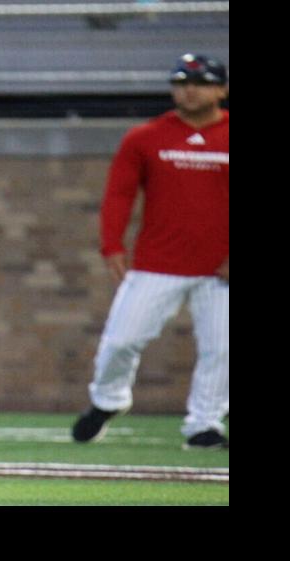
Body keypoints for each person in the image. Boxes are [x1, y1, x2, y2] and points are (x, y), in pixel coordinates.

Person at [72, 53, 230, 450]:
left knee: (222, 348)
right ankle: (108, 401)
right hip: (157, 262)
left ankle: (204, 424)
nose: (189, 90)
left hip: (220, 268)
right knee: (121, 341)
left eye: (199, 82)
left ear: (221, 89)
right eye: (181, 82)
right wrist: (112, 245)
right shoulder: (145, 137)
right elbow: (119, 194)